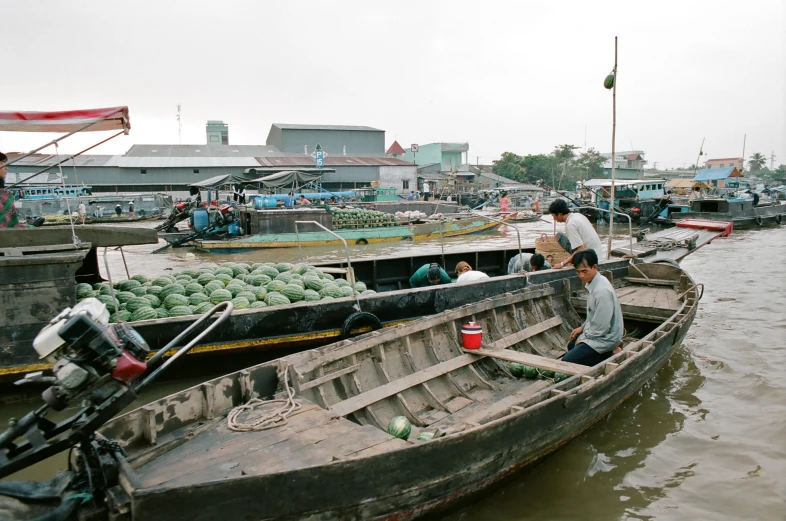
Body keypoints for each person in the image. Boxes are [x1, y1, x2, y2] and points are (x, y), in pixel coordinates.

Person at [563, 250, 623, 366]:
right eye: (578, 272)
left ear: (595, 267)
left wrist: (584, 338)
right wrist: (583, 327)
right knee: (571, 345)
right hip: (600, 334)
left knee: (568, 361)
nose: (581, 276)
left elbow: (601, 328)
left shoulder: (601, 291)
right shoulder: (594, 283)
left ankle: (610, 351)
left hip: (607, 338)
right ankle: (608, 352)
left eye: (584, 271)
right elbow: (593, 316)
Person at [548, 198, 603, 269]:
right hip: (597, 253)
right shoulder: (578, 215)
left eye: (553, 216)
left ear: (559, 214)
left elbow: (580, 249)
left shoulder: (570, 225)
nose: (554, 219)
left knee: (560, 237)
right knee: (560, 235)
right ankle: (573, 259)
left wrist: (562, 263)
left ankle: (575, 260)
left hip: (589, 257)